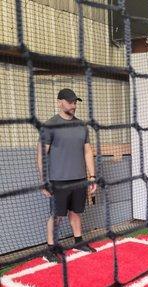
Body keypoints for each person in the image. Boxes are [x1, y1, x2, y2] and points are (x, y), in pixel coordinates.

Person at [37, 88, 97, 263]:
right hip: (58, 181)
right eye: (70, 102)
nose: (73, 105)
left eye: (75, 102)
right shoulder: (50, 125)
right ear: (59, 102)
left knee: (76, 213)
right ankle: (49, 250)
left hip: (79, 179)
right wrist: (43, 181)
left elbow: (87, 151)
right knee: (56, 216)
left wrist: (92, 176)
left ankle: (78, 242)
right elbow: (41, 153)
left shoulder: (81, 125)